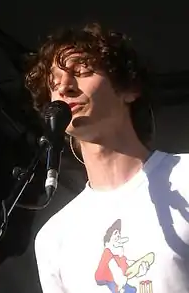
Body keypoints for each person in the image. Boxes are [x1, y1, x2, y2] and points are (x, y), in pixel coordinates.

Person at [25, 22, 189, 293]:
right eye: (54, 83)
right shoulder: (54, 238)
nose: (65, 88)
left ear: (129, 88)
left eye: (83, 71)